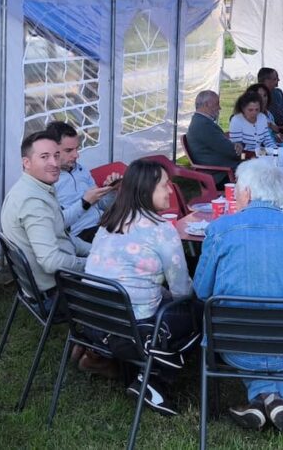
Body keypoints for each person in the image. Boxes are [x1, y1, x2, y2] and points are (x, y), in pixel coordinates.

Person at [193, 159, 283, 433]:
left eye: (237, 188)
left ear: (247, 192)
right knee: (279, 335)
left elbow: (202, 290)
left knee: (251, 336)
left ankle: (262, 399)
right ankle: (275, 398)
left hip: (233, 346)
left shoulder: (220, 230)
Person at [84, 160, 196, 416]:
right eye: (165, 185)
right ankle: (154, 378)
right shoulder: (162, 231)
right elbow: (182, 291)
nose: (171, 190)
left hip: (92, 321)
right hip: (135, 329)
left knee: (163, 300)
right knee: (197, 313)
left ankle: (137, 369)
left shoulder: (109, 220)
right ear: (146, 190)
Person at [0, 131, 85, 294]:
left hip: (49, 283)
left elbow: (61, 235)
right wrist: (91, 262)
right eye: (44, 157)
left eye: (57, 155)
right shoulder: (33, 202)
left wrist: (93, 249)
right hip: (57, 291)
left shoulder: (32, 188)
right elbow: (51, 262)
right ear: (27, 162)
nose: (54, 163)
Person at [44, 120, 119, 255]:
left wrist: (112, 190)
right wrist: (85, 202)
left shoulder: (81, 169)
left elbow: (102, 205)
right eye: (69, 150)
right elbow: (58, 225)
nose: (76, 155)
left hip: (104, 223)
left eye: (77, 148)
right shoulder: (47, 181)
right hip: (82, 235)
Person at [185, 90, 241, 187]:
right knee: (258, 173)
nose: (219, 108)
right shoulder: (204, 125)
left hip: (218, 172)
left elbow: (225, 147)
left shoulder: (200, 121)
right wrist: (240, 148)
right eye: (217, 104)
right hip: (220, 176)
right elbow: (232, 152)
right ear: (207, 104)